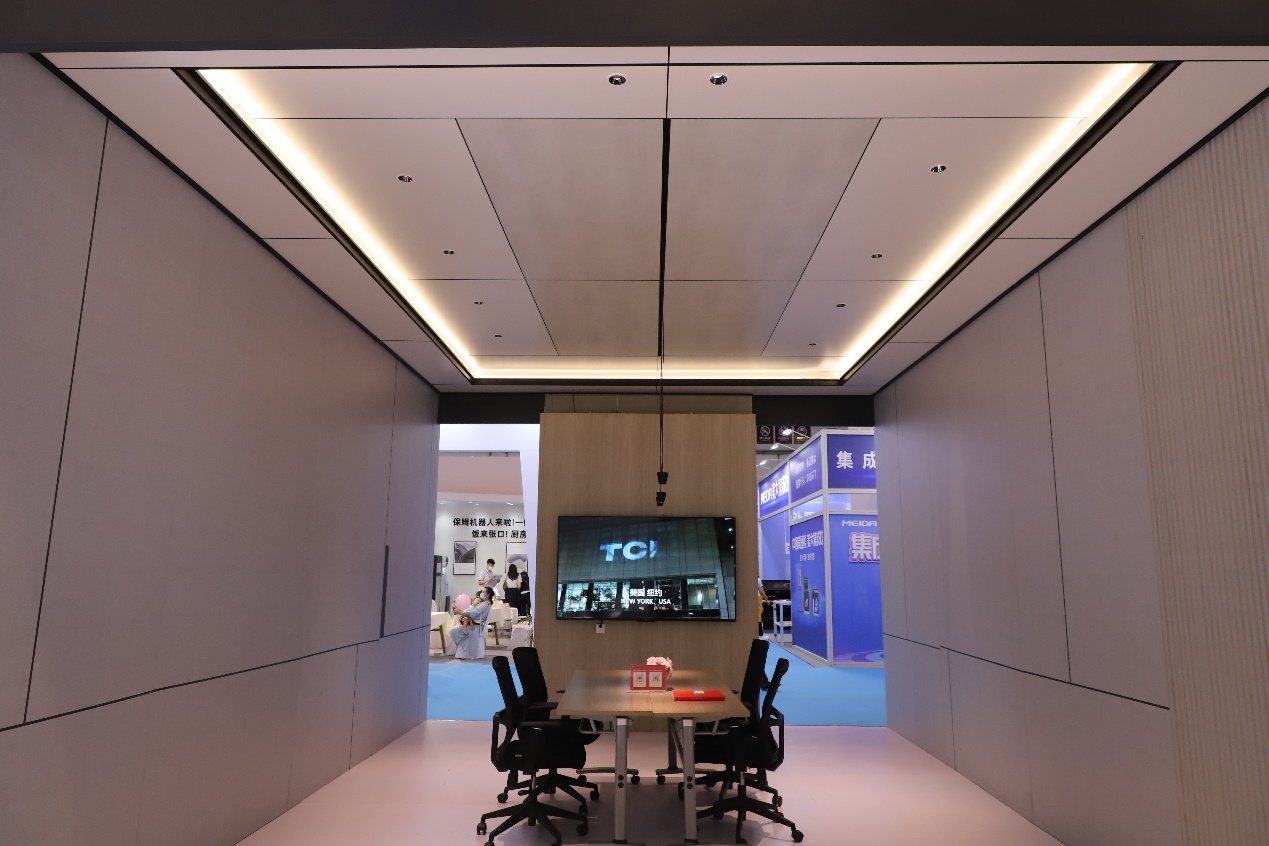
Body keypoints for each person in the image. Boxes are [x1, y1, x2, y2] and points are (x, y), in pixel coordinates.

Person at [448, 587, 493, 657]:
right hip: (475, 623)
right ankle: (465, 646)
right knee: (456, 629)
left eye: (483, 592)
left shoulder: (484, 604)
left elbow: (472, 614)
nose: (481, 593)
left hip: (475, 625)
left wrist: (459, 612)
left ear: (488, 595)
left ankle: (465, 646)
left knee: (453, 631)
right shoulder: (486, 604)